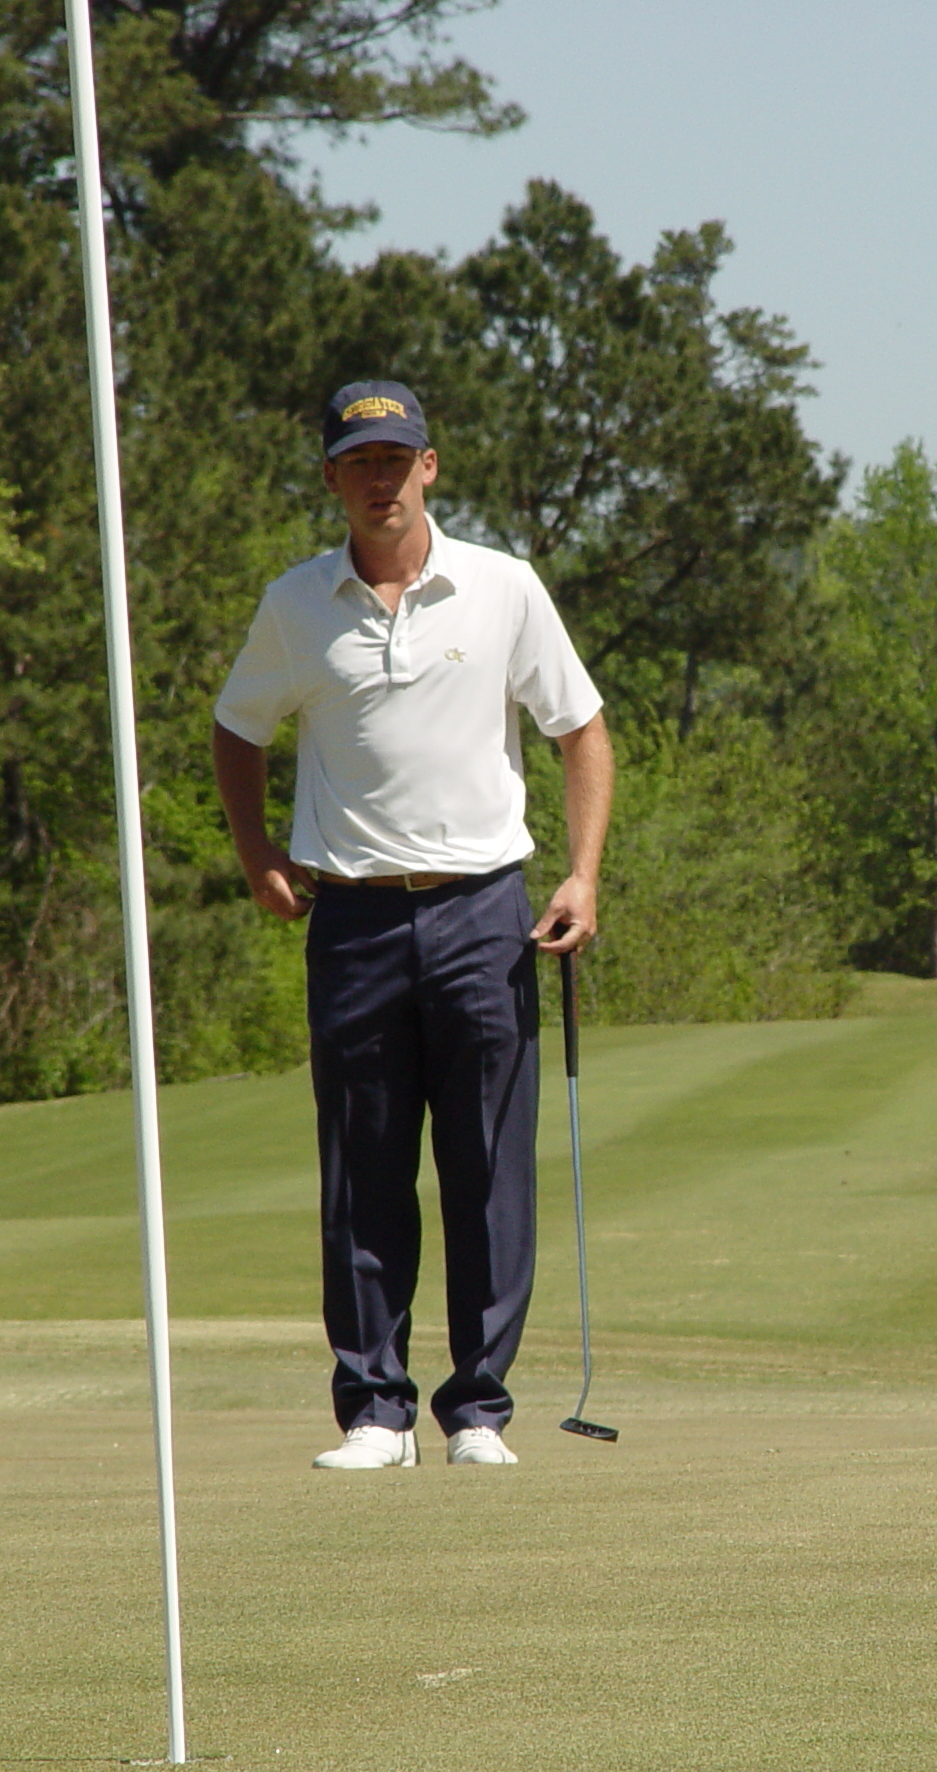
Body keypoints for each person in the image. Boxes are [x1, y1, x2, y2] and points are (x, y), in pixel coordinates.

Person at [211, 379, 612, 1470]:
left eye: (397, 460)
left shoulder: (500, 586)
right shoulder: (297, 604)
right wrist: (256, 855)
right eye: (359, 463)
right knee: (365, 1168)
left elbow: (578, 727)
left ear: (429, 467)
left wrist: (580, 874)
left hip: (487, 909)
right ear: (333, 479)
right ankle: (374, 1411)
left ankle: (477, 1407)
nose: (379, 480)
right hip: (352, 919)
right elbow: (236, 728)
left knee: (488, 1167)